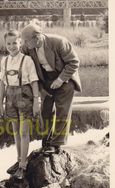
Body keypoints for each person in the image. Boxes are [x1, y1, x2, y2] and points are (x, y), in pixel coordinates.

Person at [21, 24, 82, 153]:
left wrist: (60, 80)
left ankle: (57, 144)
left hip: (65, 79)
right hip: (45, 80)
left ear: (36, 38)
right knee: (45, 111)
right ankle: (46, 140)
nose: (24, 44)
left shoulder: (59, 42)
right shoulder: (27, 48)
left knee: (62, 110)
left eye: (26, 40)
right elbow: (21, 63)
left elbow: (74, 62)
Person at [0, 30, 40, 179]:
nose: (12, 46)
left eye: (14, 43)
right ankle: (19, 160)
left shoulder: (27, 60)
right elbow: (2, 83)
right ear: (5, 44)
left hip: (25, 97)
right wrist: (0, 104)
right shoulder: (4, 61)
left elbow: (34, 81)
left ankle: (23, 166)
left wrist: (36, 102)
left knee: (24, 132)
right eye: (8, 43)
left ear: (20, 42)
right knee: (15, 131)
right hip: (10, 98)